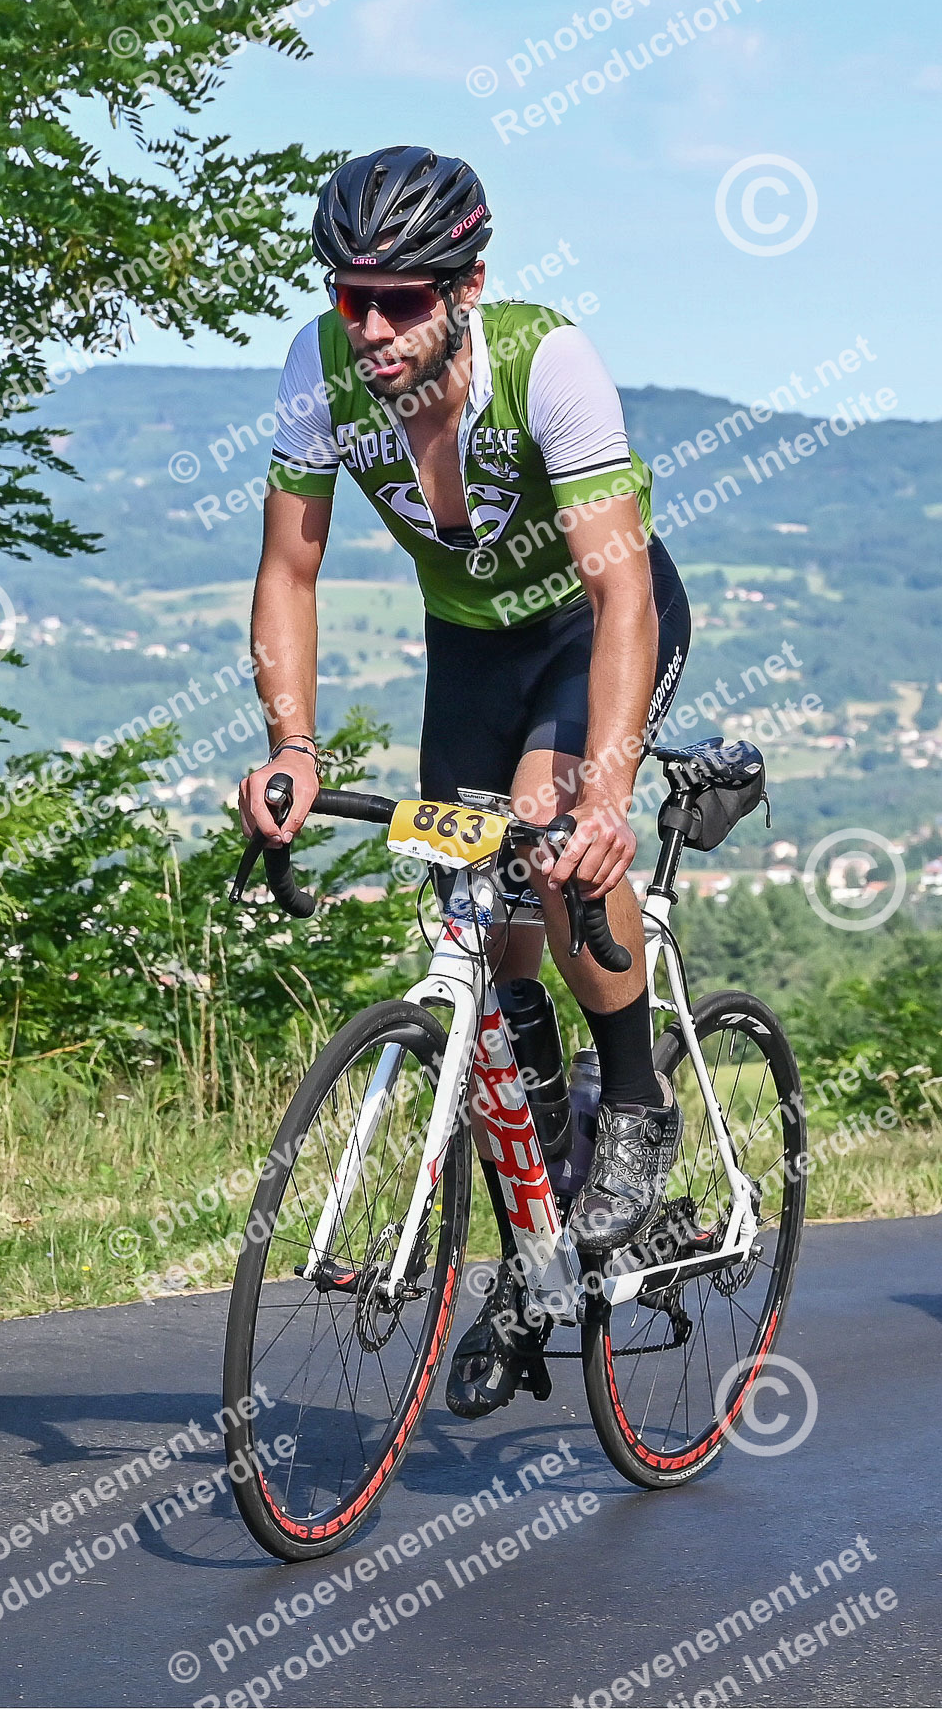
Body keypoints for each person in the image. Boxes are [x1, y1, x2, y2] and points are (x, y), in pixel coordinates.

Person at [238, 145, 691, 1418]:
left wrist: (604, 794)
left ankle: (637, 1101)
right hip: (473, 655)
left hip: (595, 631)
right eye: (351, 297)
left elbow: (619, 594)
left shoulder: (547, 364)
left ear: (466, 288)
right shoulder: (320, 370)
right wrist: (292, 745)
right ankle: (539, 1244)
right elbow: (288, 571)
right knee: (480, 950)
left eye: (399, 301)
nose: (371, 327)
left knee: (546, 842)